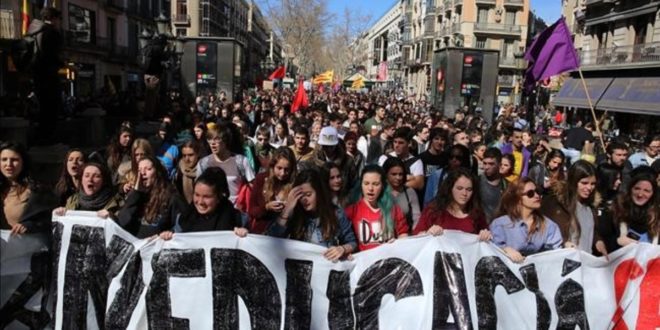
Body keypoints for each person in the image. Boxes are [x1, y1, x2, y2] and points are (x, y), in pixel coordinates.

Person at [268, 169, 357, 261]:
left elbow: (352, 242)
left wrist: (342, 249)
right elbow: (271, 240)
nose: (304, 199)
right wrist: (286, 210)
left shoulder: (336, 213)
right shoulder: (294, 214)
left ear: (318, 193)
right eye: (301, 196)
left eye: (308, 194)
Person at [540, 160, 608, 255]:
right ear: (573, 181)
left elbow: (589, 231)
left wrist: (597, 241)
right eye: (584, 183)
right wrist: (564, 243)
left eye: (593, 184)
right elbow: (543, 232)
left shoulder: (591, 206)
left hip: (585, 262)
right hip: (563, 262)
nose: (589, 188)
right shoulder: (556, 204)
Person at [490, 178, 563, 262]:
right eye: (530, 193)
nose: (537, 196)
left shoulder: (549, 226)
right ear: (518, 198)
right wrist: (505, 249)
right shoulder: (500, 224)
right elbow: (491, 251)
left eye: (538, 191)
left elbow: (557, 255)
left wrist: (567, 247)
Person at [160, 168, 245, 239]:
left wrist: (243, 234)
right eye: (197, 195)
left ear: (219, 197)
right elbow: (176, 236)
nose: (200, 202)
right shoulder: (185, 218)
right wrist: (168, 235)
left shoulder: (236, 219)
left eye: (207, 197)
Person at [116, 156, 190, 238]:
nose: (143, 173)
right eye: (139, 170)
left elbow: (185, 226)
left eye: (148, 169)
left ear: (158, 172)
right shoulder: (135, 196)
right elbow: (122, 222)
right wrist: (136, 192)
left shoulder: (172, 197)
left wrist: (170, 233)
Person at [345, 165, 409, 251]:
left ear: (382, 186)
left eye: (375, 184)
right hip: (365, 262)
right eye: (366, 183)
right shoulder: (352, 211)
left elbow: (403, 235)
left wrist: (398, 243)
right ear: (361, 184)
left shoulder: (394, 210)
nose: (370, 188)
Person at [414, 168, 490, 240]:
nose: (464, 193)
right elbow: (416, 237)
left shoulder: (477, 214)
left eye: (469, 189)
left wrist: (485, 235)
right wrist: (427, 233)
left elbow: (486, 237)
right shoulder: (433, 210)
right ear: (450, 188)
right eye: (459, 188)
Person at [0, 142, 55, 234]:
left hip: (28, 245)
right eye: (4, 159)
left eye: (14, 160)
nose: (9, 164)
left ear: (23, 162)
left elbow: (50, 219)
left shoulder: (38, 190)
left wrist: (29, 225)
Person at [197, 124, 255, 204]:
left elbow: (252, 186)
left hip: (237, 210)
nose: (212, 143)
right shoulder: (203, 163)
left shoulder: (241, 161)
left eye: (217, 139)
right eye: (209, 139)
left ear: (225, 141)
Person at [30, 7, 63, 144]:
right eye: (59, 18)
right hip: (49, 77)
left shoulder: (34, 31)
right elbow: (50, 55)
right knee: (51, 108)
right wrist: (66, 65)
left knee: (43, 109)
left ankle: (41, 137)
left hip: (37, 76)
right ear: (54, 18)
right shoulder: (51, 33)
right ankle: (48, 139)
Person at [248, 147, 296, 234]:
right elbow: (251, 210)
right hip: (262, 233)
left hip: (286, 235)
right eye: (279, 168)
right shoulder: (261, 179)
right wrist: (266, 207)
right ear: (273, 166)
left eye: (287, 169)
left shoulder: (295, 183)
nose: (283, 173)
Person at [54, 162, 122, 216]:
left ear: (103, 181)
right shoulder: (72, 200)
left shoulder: (116, 201)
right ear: (81, 180)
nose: (90, 179)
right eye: (86, 176)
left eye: (96, 176)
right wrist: (62, 213)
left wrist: (112, 217)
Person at [613, 173, 659, 246]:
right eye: (637, 188)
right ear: (630, 189)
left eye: (646, 191)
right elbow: (605, 241)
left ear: (653, 194)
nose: (640, 194)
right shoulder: (617, 210)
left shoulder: (657, 216)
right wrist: (617, 241)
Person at [378, 127, 425, 191]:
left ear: (409, 143)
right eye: (395, 142)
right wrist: (409, 178)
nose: (396, 145)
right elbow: (379, 179)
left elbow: (419, 184)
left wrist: (394, 183)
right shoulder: (384, 158)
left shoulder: (416, 162)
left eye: (401, 143)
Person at [383, 157, 421, 232]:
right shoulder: (380, 192)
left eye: (401, 174)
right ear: (386, 174)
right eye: (394, 174)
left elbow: (416, 218)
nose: (398, 177)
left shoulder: (410, 192)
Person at [594, 163, 623, 253]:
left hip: (614, 248)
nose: (619, 182)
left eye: (619, 179)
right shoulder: (592, 202)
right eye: (615, 179)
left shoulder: (619, 199)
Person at [479, 147, 507, 222]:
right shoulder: (476, 182)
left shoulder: (506, 185)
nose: (487, 167)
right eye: (485, 163)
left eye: (491, 164)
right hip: (481, 229)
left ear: (500, 165)